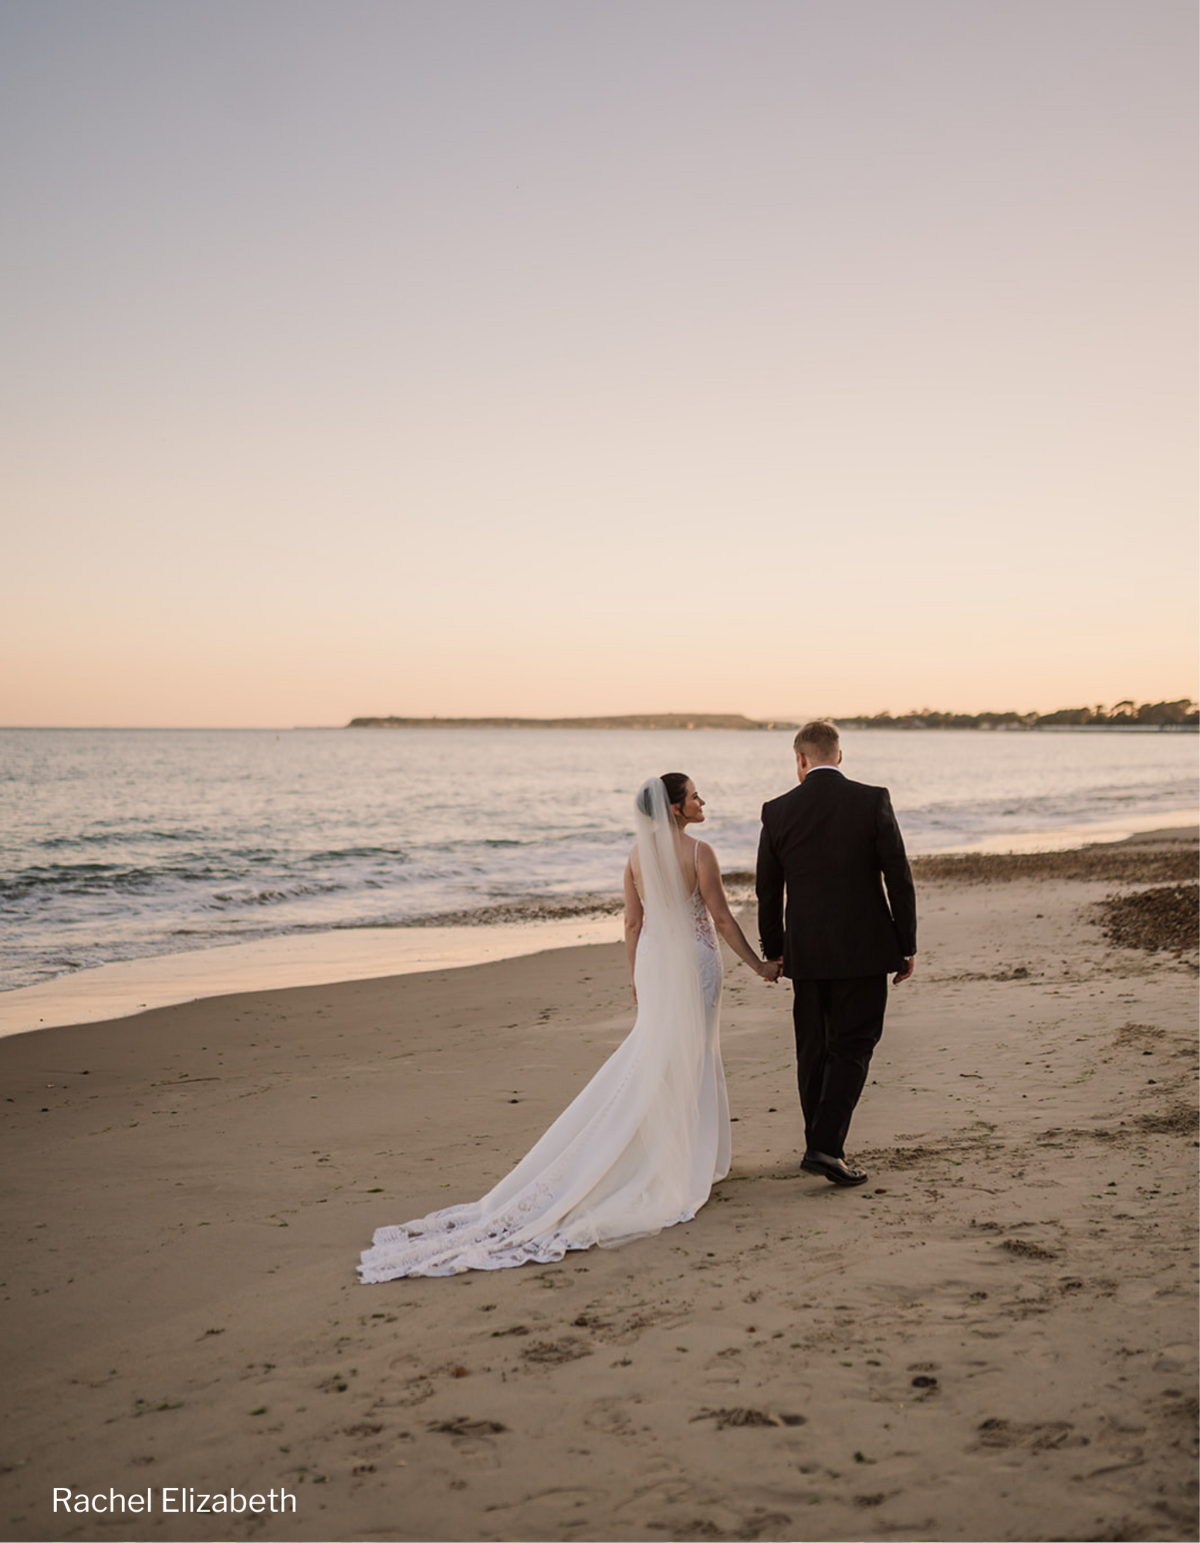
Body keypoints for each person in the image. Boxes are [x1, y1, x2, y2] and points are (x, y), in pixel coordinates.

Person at [358, 773, 778, 1281]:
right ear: (673, 808)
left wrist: (635, 977)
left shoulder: (634, 856)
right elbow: (722, 919)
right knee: (688, 1054)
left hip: (652, 961)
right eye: (693, 795)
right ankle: (682, 1160)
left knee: (657, 1052)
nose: (701, 800)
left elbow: (631, 924)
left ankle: (673, 1151)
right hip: (694, 961)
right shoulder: (698, 852)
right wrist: (758, 966)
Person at [756, 721, 916, 1187]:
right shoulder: (872, 800)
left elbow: (769, 892)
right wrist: (905, 943)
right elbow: (898, 877)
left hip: (805, 953)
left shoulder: (777, 811)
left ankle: (818, 1144)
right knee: (855, 1043)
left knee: (813, 1048)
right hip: (864, 948)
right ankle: (825, 1147)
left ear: (800, 760)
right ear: (839, 756)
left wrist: (776, 951)